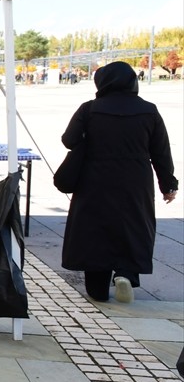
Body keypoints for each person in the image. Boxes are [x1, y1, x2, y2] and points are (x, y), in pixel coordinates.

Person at [60, 61, 178, 303]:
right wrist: (168, 185)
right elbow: (161, 153)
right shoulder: (149, 111)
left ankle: (98, 289)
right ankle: (125, 274)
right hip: (136, 181)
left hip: (94, 179)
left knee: (94, 230)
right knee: (133, 226)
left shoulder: (89, 109)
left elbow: (69, 140)